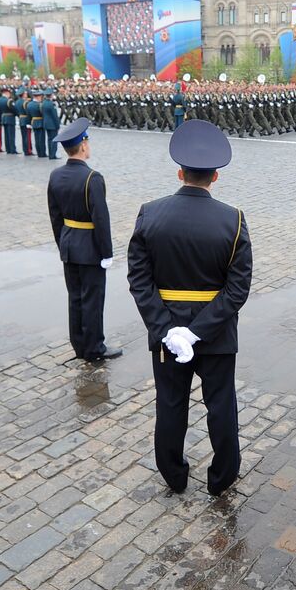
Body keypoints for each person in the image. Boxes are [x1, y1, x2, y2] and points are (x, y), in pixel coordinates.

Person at [127, 120, 252, 497]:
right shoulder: (233, 220)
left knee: (170, 406)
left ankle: (174, 475)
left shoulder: (150, 213)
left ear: (180, 173)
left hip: (167, 334)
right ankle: (223, 476)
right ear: (215, 176)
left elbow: (139, 280)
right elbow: (238, 288)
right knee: (221, 407)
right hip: (215, 334)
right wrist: (198, 331)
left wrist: (167, 329)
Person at [47, 118, 122, 364]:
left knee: (75, 298)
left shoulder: (56, 175)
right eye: (87, 142)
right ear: (82, 146)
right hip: (90, 248)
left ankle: (79, 344)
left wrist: (63, 243)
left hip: (69, 244)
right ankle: (94, 348)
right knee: (92, 299)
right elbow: (101, 219)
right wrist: (107, 252)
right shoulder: (93, 178)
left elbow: (55, 216)